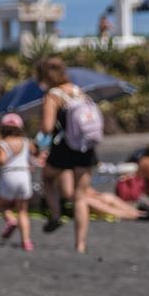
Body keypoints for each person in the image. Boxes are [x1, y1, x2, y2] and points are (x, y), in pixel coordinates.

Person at [36, 57, 98, 253]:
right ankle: (80, 244)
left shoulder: (53, 95)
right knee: (81, 196)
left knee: (47, 178)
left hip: (64, 147)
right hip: (86, 147)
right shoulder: (79, 91)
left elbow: (47, 127)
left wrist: (37, 139)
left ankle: (55, 214)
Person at [0, 114, 34, 251]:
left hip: (9, 174)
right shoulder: (26, 142)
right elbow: (34, 154)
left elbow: (2, 160)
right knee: (23, 209)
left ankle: (11, 220)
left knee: (3, 205)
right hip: (24, 174)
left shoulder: (3, 143)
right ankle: (26, 242)